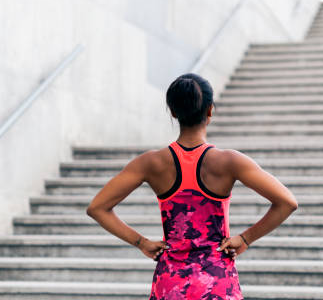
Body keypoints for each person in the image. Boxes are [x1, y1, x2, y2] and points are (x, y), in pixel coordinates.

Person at [86, 73, 298, 299]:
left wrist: (141, 242)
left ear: (173, 112)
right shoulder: (229, 161)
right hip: (217, 282)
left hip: (171, 283)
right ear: (209, 110)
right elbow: (287, 202)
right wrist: (246, 238)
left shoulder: (152, 162)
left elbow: (97, 207)